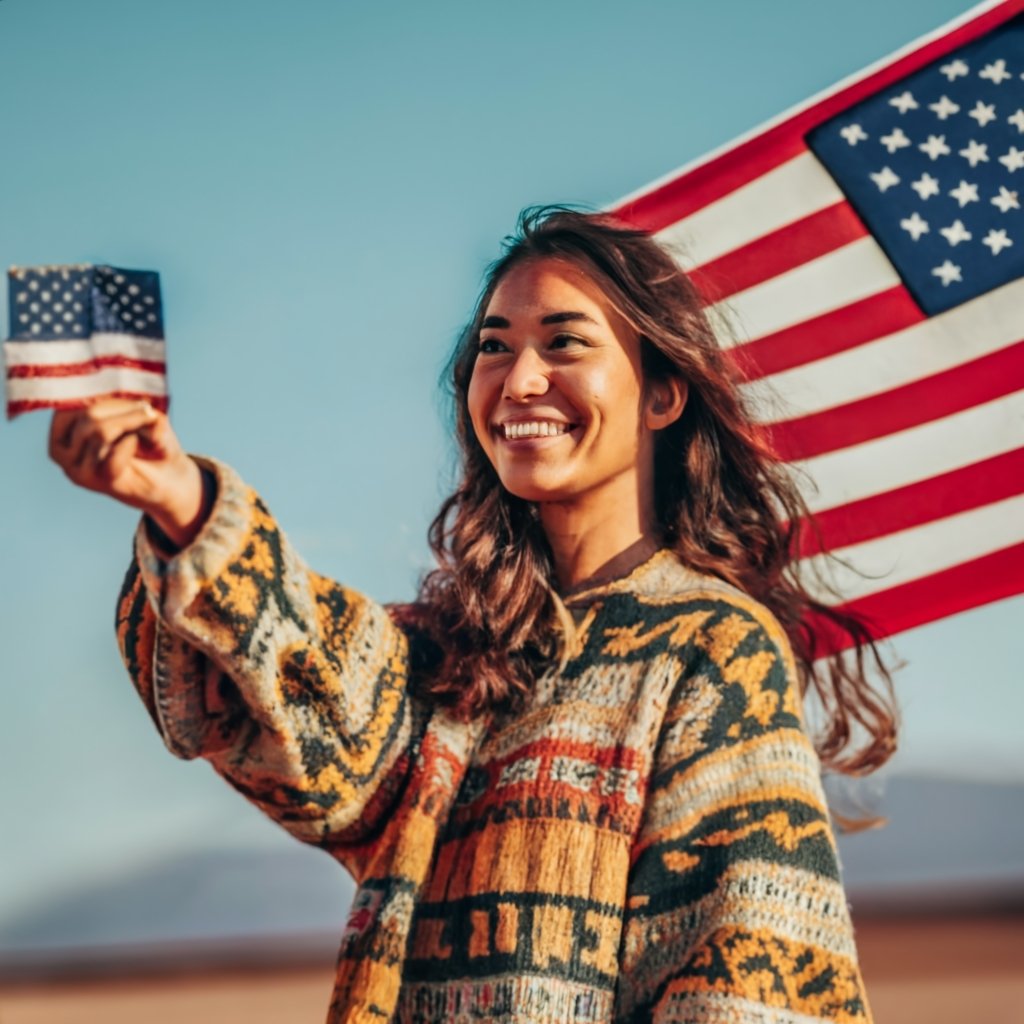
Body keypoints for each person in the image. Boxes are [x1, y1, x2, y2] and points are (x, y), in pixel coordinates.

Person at [49, 208, 896, 1023]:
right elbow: (289, 694)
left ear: (662, 395)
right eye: (496, 347)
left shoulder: (712, 647)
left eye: (564, 342)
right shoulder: (457, 657)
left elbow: (743, 976)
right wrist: (182, 504)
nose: (520, 378)